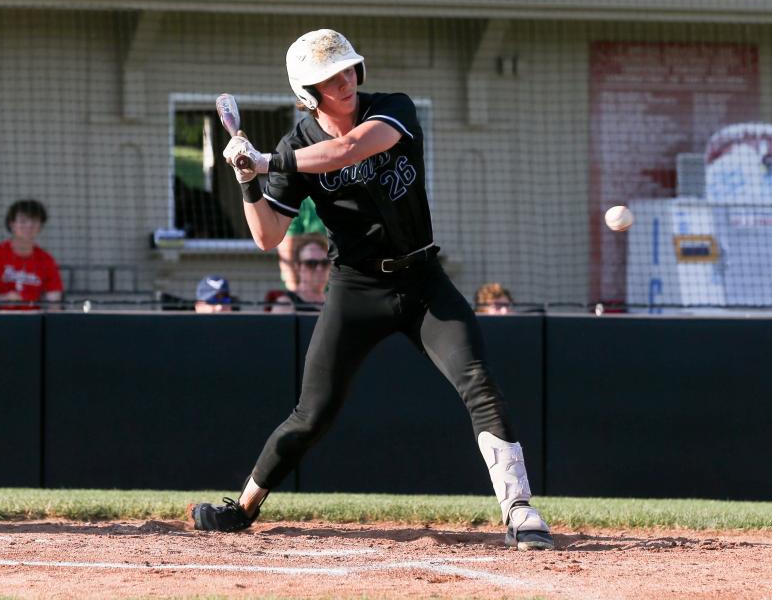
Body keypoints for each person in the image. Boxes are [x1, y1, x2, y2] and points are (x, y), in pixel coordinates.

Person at [188, 29, 554, 550]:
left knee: (478, 380)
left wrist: (267, 162)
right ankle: (243, 507)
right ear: (306, 92)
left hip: (423, 278)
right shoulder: (296, 145)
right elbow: (268, 236)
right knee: (313, 411)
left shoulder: (392, 108)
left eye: (348, 69)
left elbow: (349, 149)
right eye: (328, 77)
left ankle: (520, 509)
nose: (344, 81)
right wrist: (248, 178)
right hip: (357, 286)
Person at [0, 199, 63, 310]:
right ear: (11, 224)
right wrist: (1, 299)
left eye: (35, 221)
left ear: (40, 226)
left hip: (33, 321)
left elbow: (54, 301)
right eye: (23, 221)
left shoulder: (46, 260)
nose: (29, 225)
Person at [271, 233, 330, 313]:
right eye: (311, 263)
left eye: (325, 263)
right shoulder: (286, 305)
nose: (319, 268)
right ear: (298, 267)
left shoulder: (334, 303)